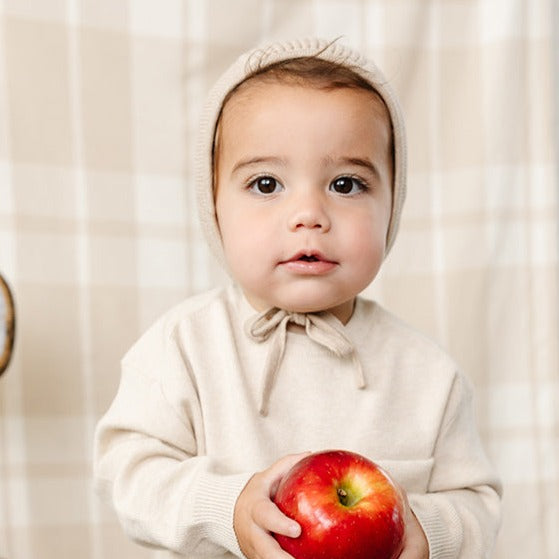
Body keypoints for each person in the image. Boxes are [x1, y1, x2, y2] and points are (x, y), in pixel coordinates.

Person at [94, 38, 502, 559]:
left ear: (392, 206)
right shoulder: (183, 349)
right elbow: (127, 474)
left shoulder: (427, 375)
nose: (308, 213)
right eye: (266, 183)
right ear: (213, 207)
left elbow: (478, 503)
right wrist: (228, 507)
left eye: (347, 184)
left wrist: (426, 530)